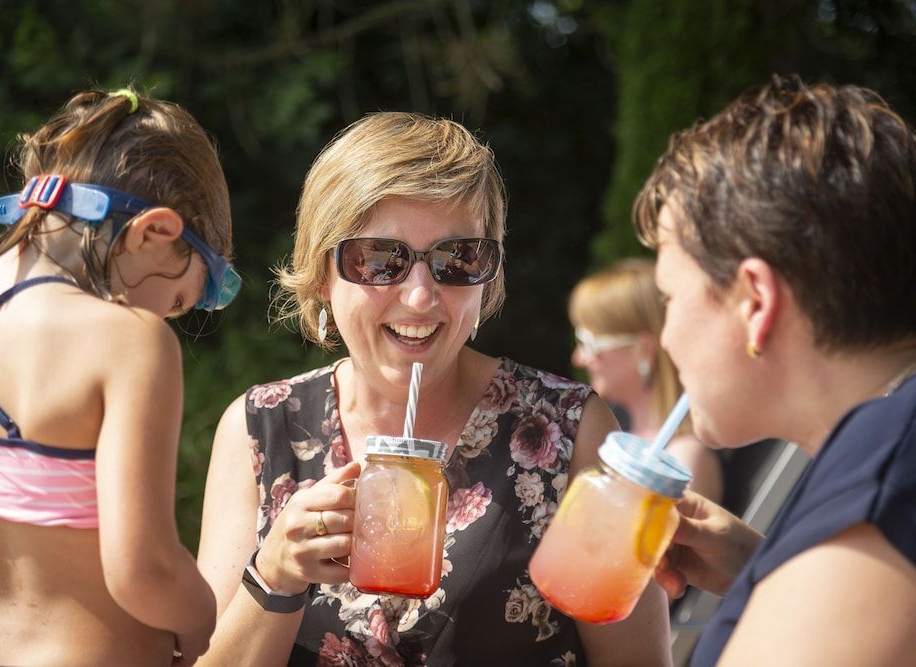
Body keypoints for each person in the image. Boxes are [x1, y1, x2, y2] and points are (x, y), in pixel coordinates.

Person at [197, 112, 672, 666]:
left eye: (458, 258)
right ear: (323, 273)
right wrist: (274, 575)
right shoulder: (261, 428)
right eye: (379, 259)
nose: (421, 297)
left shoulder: (568, 430)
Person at [0, 88, 239, 666]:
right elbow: (143, 570)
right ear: (154, 232)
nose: (164, 314)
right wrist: (201, 620)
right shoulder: (130, 342)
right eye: (178, 298)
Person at [633, 75, 916, 665]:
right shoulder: (882, 457)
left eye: (670, 300)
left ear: (755, 302)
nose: (666, 339)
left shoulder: (885, 477)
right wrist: (761, 568)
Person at [567, 258, 723, 502]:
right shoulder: (624, 438)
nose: (579, 359)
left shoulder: (680, 461)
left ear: (643, 349)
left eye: (589, 344)